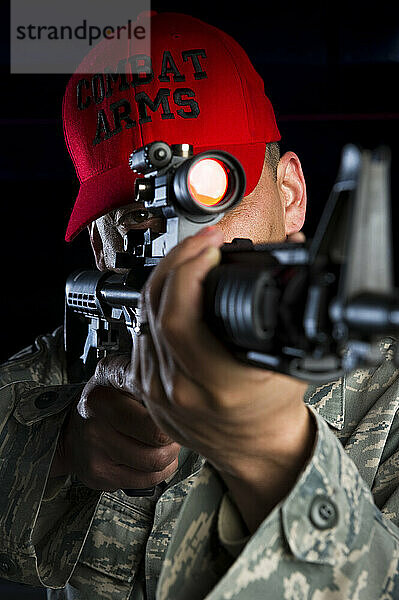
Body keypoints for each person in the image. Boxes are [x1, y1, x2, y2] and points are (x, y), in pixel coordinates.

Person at [1, 10, 399, 600]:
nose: (187, 248)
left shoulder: (386, 397)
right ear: (101, 247)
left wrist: (273, 455)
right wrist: (63, 452)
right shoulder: (54, 377)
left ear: (290, 196)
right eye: (138, 217)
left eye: (217, 199)